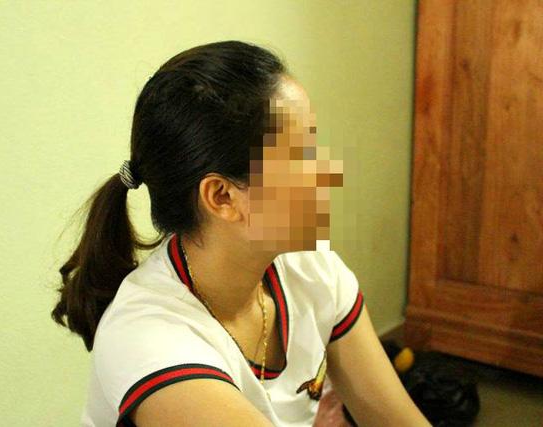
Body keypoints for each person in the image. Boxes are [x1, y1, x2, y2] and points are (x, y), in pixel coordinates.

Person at [51, 40, 430, 427]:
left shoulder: (312, 269)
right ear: (222, 196)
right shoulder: (151, 340)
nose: (328, 172)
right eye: (301, 156)